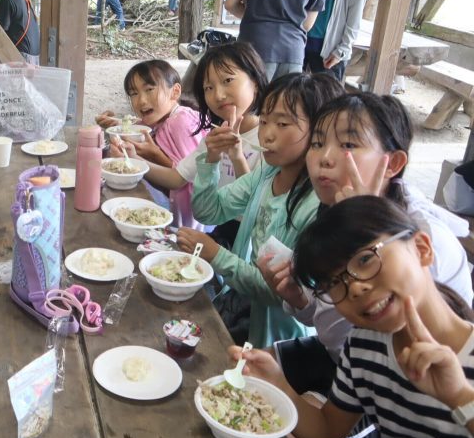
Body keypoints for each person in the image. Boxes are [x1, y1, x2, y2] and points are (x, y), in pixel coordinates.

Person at [232, 196, 474, 438]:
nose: (356, 287)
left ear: (422, 248)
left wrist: (460, 398)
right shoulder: (364, 345)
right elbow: (326, 433)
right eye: (335, 282)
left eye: (365, 259)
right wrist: (278, 384)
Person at [263, 92, 473, 398]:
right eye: (318, 143)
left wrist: (359, 235)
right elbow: (332, 327)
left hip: (416, 382)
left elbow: (347, 337)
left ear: (393, 163)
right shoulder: (333, 214)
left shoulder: (418, 238)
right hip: (347, 360)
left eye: (348, 145)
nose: (325, 157)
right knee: (249, 370)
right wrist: (299, 299)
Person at [179, 73, 343, 347]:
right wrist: (212, 159)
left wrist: (217, 254)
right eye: (264, 121)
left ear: (319, 133)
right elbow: (208, 211)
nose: (267, 133)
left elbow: (279, 291)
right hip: (245, 312)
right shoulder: (267, 173)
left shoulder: (316, 205)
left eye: (282, 123)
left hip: (280, 339)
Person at [121, 43, 268, 242]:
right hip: (222, 231)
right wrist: (133, 159)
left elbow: (259, 211)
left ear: (255, 82)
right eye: (209, 87)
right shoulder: (214, 138)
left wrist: (237, 157)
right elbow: (177, 179)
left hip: (254, 240)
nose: (218, 95)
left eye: (228, 80)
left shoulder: (268, 140)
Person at [97, 60, 206, 229]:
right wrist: (115, 123)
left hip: (193, 221)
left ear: (175, 92)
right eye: (134, 93)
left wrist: (154, 155)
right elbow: (136, 126)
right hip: (175, 206)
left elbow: (192, 178)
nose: (141, 100)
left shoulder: (180, 121)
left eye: (149, 89)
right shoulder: (160, 119)